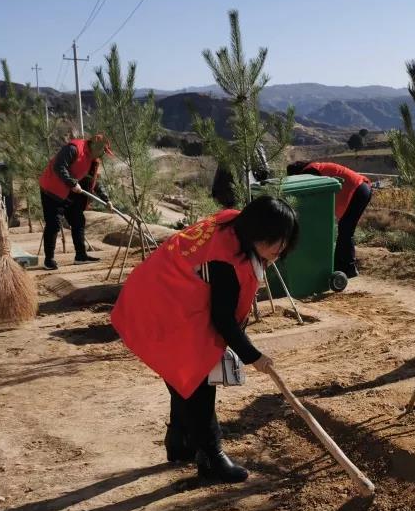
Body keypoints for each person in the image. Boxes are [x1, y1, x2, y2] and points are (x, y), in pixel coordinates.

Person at [111, 195, 300, 483]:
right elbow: (223, 320)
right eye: (277, 240)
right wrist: (253, 356)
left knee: (182, 376)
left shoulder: (233, 225)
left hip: (159, 293)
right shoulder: (225, 259)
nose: (281, 249)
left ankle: (179, 441)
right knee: (199, 380)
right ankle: (212, 458)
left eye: (285, 241)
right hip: (162, 306)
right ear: (257, 231)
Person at [38, 133, 114, 269]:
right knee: (54, 224)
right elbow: (59, 166)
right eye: (103, 150)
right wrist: (72, 183)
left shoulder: (93, 160)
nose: (103, 154)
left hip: (69, 192)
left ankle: (81, 256)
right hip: (52, 190)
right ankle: (49, 260)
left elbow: (94, 181)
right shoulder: (74, 148)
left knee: (78, 220)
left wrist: (106, 199)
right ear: (95, 145)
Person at [285, 160, 372, 277]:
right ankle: (340, 267)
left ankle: (348, 268)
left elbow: (313, 198)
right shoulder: (315, 168)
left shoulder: (310, 172)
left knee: (346, 230)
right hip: (360, 189)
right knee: (345, 230)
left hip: (358, 190)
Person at [211, 142, 271, 209]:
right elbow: (264, 172)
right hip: (244, 193)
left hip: (221, 193)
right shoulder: (255, 145)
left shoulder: (228, 148)